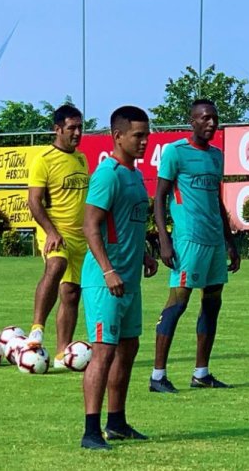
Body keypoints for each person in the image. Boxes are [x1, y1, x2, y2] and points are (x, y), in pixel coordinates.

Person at [80, 106, 158, 450]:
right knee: (104, 352)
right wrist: (108, 270)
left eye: (146, 135)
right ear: (118, 136)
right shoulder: (107, 174)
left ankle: (117, 422)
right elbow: (90, 225)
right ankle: (91, 431)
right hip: (104, 281)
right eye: (137, 136)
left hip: (129, 280)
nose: (144, 142)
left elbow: (126, 222)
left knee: (128, 349)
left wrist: (143, 253)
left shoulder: (134, 175)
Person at [149, 99, 240, 394]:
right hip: (188, 241)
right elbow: (160, 197)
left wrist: (230, 241)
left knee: (212, 305)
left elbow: (216, 200)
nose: (211, 123)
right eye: (205, 118)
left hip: (214, 241)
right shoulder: (176, 152)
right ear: (192, 121)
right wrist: (164, 239)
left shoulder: (216, 156)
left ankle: (201, 373)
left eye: (215, 118)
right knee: (177, 304)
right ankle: (158, 375)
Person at [25, 104, 90, 367]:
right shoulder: (43, 160)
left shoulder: (82, 159)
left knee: (72, 293)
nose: (77, 133)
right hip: (55, 233)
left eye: (80, 127)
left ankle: (63, 354)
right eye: (72, 128)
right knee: (56, 264)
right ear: (58, 129)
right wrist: (51, 231)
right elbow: (34, 202)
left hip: (80, 237)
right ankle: (37, 328)